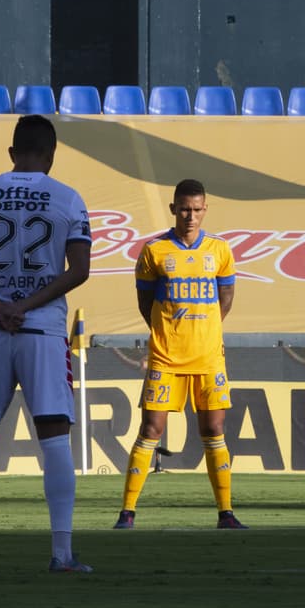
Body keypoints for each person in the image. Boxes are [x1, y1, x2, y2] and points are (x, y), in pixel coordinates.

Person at [0, 115, 92, 574]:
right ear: (50, 155)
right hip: (42, 329)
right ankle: (62, 553)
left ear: (12, 153)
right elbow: (79, 268)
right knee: (53, 438)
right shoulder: (68, 198)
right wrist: (26, 305)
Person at [114, 178, 245, 531]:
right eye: (184, 209)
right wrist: (166, 329)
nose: (190, 216)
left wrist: (206, 329)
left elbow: (226, 298)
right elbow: (145, 302)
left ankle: (226, 513)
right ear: (173, 208)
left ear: (205, 210)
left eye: (197, 209)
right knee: (151, 428)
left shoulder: (219, 250)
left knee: (214, 428)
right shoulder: (154, 251)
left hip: (208, 357)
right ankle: (127, 512)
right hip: (167, 357)